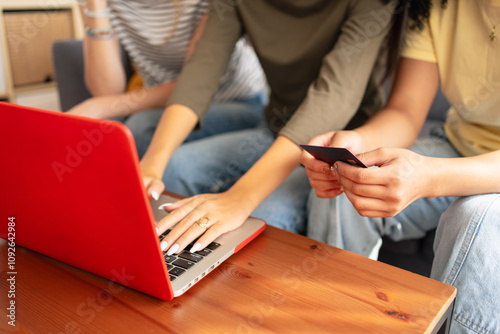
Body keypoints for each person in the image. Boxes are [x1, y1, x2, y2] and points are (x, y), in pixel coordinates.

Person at [301, 0, 500, 333]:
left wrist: (430, 178)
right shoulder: (438, 5)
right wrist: (357, 144)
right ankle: (334, 321)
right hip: (458, 144)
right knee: (350, 187)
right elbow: (406, 109)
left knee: (474, 221)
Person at [145, 0, 399, 255]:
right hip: (276, 129)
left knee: (260, 217)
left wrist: (239, 198)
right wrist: (153, 163)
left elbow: (334, 94)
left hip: (338, 149)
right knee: (176, 168)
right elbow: (202, 69)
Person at [70, 0, 265, 158]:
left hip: (233, 99)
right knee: (99, 132)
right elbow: (107, 91)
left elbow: (196, 83)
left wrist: (97, 107)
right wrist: (96, 8)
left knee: (141, 127)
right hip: (161, 102)